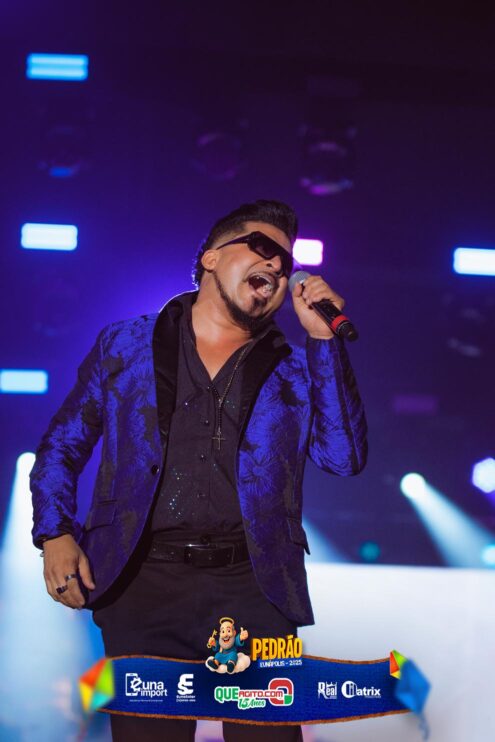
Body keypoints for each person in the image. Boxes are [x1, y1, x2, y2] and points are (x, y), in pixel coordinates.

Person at [30, 199, 367, 741]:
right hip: (144, 586)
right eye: (263, 248)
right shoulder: (127, 344)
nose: (277, 265)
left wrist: (323, 343)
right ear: (211, 257)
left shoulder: (293, 366)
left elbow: (343, 458)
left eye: (286, 263)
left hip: (254, 589)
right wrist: (55, 533)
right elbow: (62, 445)